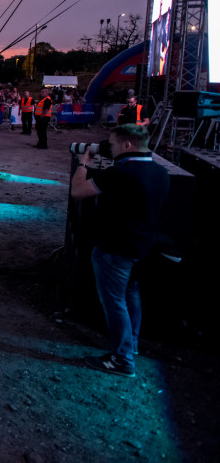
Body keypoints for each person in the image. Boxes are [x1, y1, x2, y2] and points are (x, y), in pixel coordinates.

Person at [70, 124, 170, 378]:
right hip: (141, 247)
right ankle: (130, 345)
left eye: (112, 144)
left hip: (115, 249)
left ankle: (121, 359)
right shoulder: (160, 172)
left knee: (114, 302)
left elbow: (78, 191)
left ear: (127, 145)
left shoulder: (120, 173)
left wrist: (83, 163)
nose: (110, 149)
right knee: (130, 296)